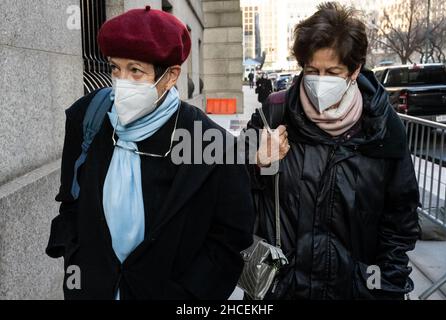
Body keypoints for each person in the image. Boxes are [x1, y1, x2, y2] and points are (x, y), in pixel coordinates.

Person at [45, 6, 254, 300]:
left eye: (136, 71)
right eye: (115, 68)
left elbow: (230, 238)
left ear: (170, 77)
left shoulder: (212, 145)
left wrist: (188, 295)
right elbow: (71, 200)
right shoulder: (86, 118)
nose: (121, 82)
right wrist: (75, 259)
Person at [244, 2, 420, 300]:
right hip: (283, 291)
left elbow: (400, 221)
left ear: (354, 70)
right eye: (312, 70)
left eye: (332, 71)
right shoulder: (273, 116)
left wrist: (384, 287)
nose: (319, 81)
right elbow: (230, 194)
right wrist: (255, 162)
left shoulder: (382, 127)